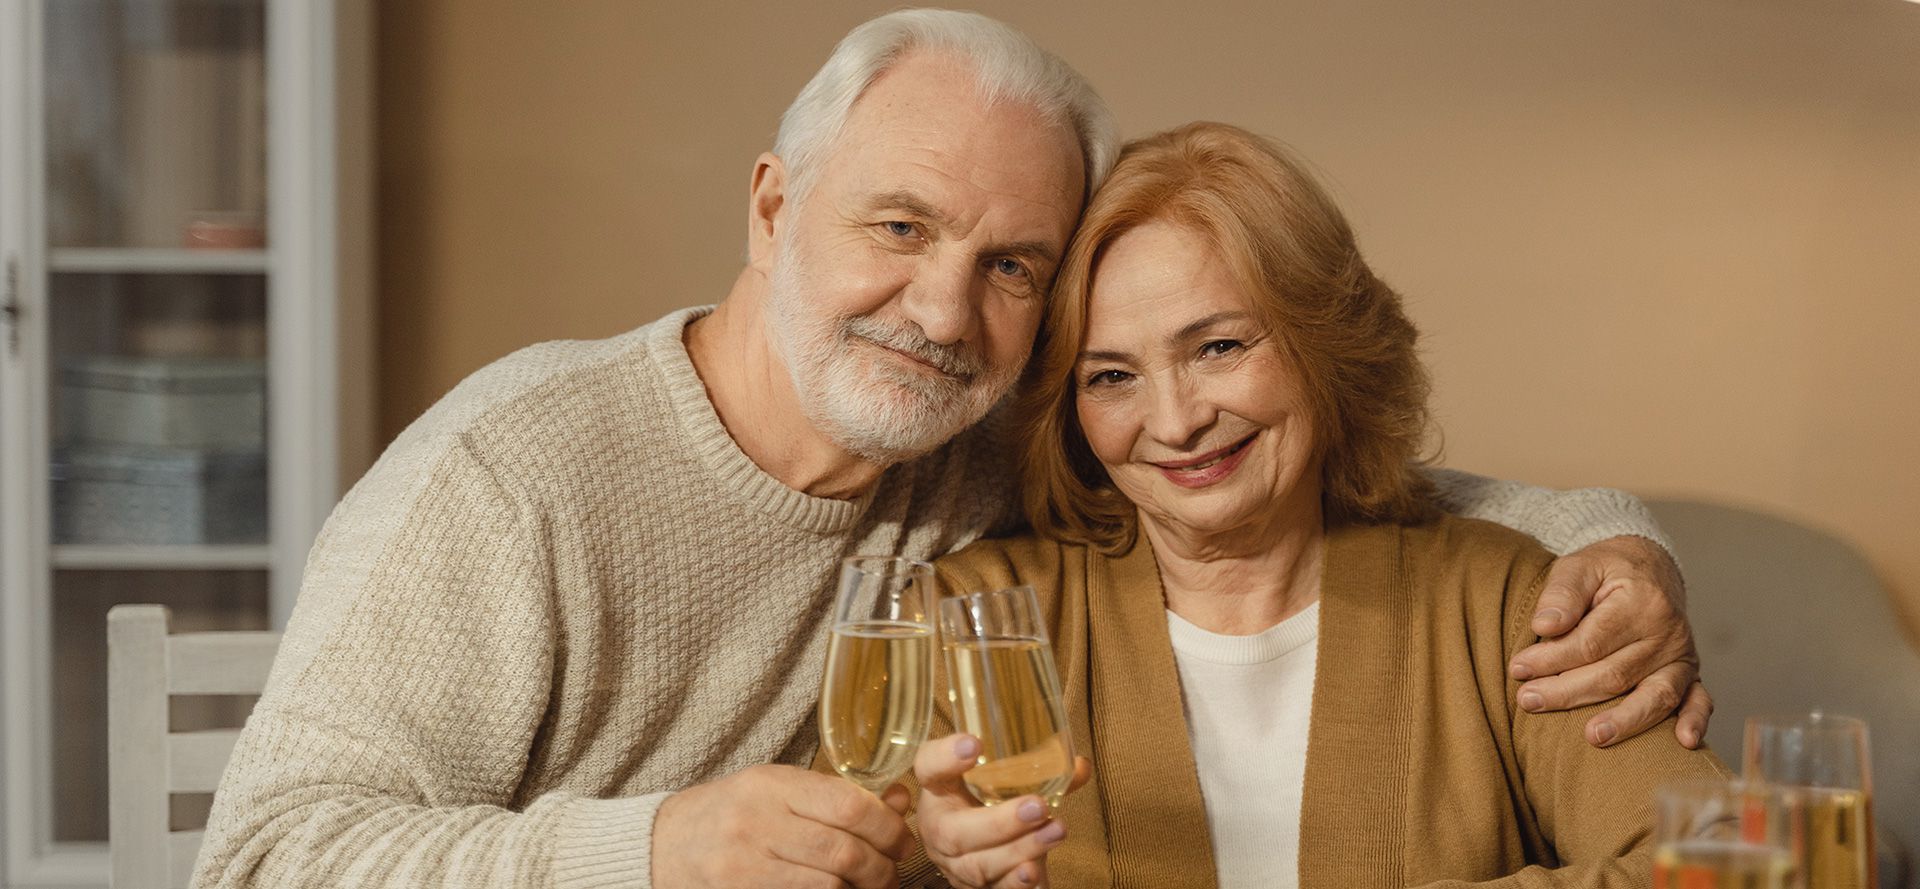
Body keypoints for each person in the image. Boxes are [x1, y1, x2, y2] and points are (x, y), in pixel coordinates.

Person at [193, 12, 1703, 889]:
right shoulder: (512, 475)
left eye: (1014, 265)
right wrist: (648, 848)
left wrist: (1618, 544)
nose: (941, 309)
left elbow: (1328, 490)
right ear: (775, 207)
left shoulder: (991, 454)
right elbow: (262, 860)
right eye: (901, 226)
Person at [909, 122, 1727, 889]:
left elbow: (1721, 863)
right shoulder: (969, 617)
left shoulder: (1513, 605)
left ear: (1321, 342)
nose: (1175, 420)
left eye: (1219, 346)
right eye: (1111, 376)